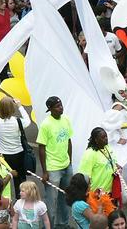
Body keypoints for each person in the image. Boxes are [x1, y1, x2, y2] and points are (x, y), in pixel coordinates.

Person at [36, 96, 73, 228]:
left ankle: (63, 224)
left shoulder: (66, 120)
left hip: (66, 166)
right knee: (51, 202)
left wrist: (70, 162)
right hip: (53, 169)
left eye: (61, 105)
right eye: (57, 106)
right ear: (50, 109)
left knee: (65, 198)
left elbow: (69, 141)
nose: (61, 108)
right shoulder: (46, 124)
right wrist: (45, 171)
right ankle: (48, 226)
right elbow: (41, 148)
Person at [0, 96, 31, 199]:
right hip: (17, 154)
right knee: (20, 181)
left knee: (3, 179)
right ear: (12, 109)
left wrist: (1, 107)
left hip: (1, 155)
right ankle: (20, 200)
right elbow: (28, 120)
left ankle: (1, 200)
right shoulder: (18, 122)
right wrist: (20, 106)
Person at [78, 127, 119, 193]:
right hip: (96, 194)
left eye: (106, 136)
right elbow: (84, 176)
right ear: (96, 140)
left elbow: (112, 160)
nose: (106, 139)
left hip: (109, 192)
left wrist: (116, 165)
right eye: (103, 137)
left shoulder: (107, 147)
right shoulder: (90, 153)